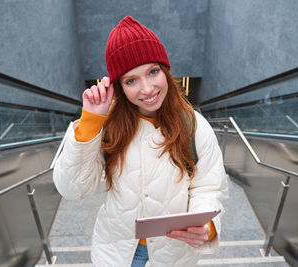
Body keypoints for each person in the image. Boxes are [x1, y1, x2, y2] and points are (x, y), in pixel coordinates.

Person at [53, 16, 229, 267]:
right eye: (131, 80)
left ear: (165, 71)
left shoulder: (195, 125)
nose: (147, 89)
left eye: (153, 72)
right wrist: (91, 122)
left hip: (173, 254)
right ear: (120, 87)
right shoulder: (108, 124)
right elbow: (73, 190)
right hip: (117, 252)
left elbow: (209, 187)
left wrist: (208, 226)